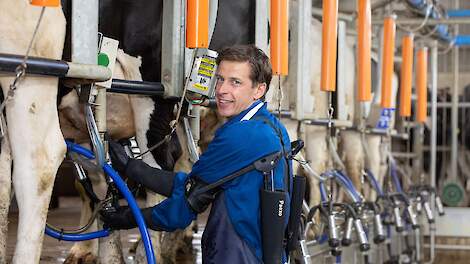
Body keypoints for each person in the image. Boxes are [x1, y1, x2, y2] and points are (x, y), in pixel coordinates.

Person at [103, 44, 293, 263]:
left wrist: (126, 218)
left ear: (259, 90)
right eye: (220, 79)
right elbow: (195, 185)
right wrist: (132, 167)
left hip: (238, 254)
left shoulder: (241, 134)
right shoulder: (272, 127)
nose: (221, 90)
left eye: (235, 82)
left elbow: (183, 208)